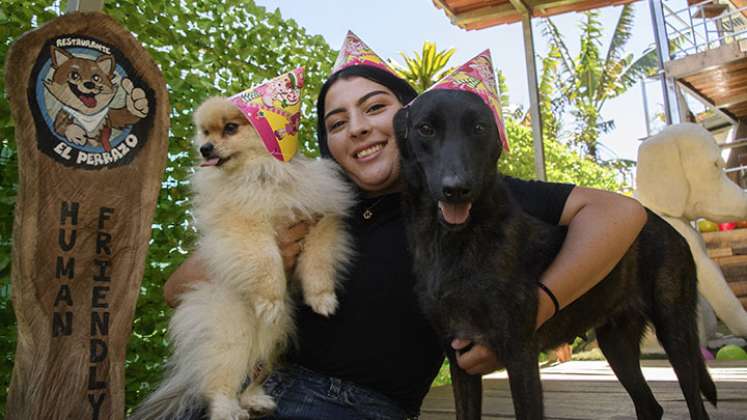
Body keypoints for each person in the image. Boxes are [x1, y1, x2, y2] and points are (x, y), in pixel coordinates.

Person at [165, 33, 647, 419]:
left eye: (375, 108)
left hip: (354, 406)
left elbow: (622, 213)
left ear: (415, 123)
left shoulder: (477, 196)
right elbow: (176, 288)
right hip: (250, 390)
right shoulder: (312, 202)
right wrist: (268, 253)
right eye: (336, 123)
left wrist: (534, 312)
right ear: (327, 144)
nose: (356, 127)